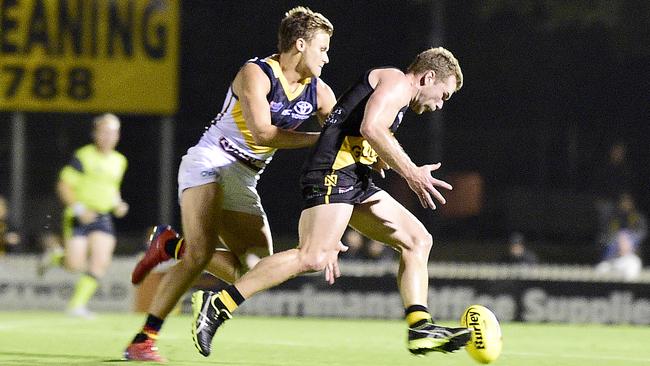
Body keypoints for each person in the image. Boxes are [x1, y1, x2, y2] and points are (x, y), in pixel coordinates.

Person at [191, 47, 472, 357]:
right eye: (442, 95)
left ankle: (420, 327)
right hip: (333, 173)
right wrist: (412, 174)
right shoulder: (396, 81)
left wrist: (376, 157)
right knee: (311, 256)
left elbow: (361, 130)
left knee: (417, 240)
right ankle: (218, 305)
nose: (439, 105)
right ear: (428, 77)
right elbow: (372, 127)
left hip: (354, 178)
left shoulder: (399, 95)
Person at [124, 7, 339, 362]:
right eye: (322, 48)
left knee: (258, 270)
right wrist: (320, 140)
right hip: (210, 162)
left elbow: (341, 138)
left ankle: (170, 246)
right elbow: (263, 132)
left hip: (245, 176)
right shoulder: (256, 73)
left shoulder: (319, 92)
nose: (327, 57)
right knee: (201, 253)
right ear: (300, 44)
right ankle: (143, 340)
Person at [38, 113, 129, 318]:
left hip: (103, 216)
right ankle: (55, 258)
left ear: (118, 136)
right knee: (74, 265)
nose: (107, 137)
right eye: (103, 132)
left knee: (100, 261)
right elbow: (63, 186)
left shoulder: (119, 161)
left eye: (112, 133)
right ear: (95, 134)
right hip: (78, 215)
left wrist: (118, 203)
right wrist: (80, 209)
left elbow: (112, 188)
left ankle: (76, 306)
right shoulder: (83, 156)